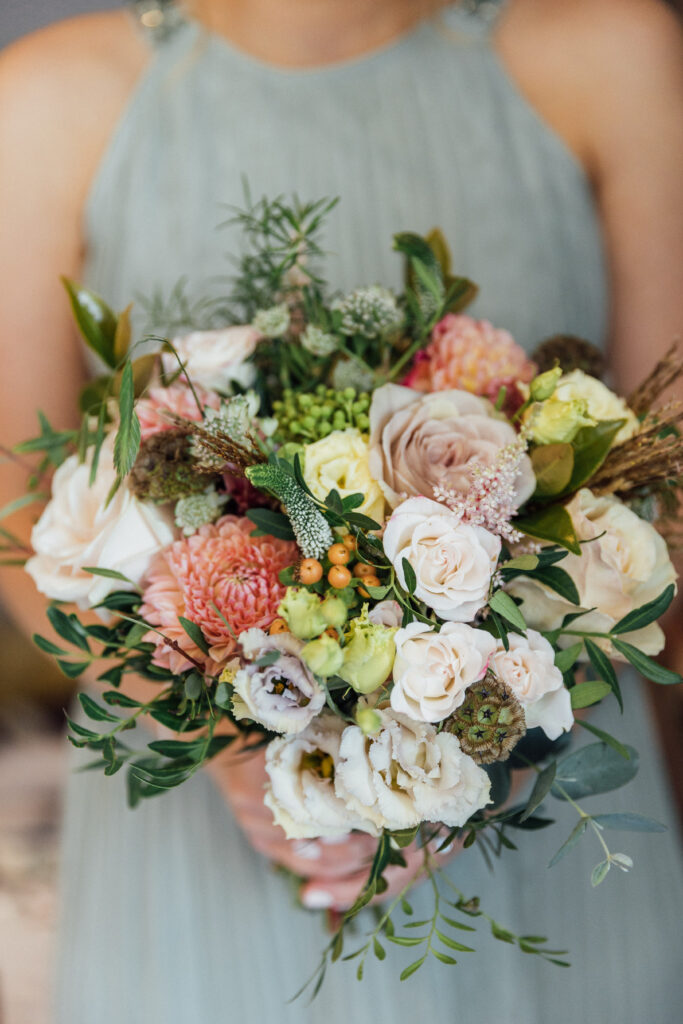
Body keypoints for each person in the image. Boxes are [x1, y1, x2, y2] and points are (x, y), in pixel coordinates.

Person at [1, 1, 682, 1021]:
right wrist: (249, 751)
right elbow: (22, 523)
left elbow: (661, 488)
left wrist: (475, 744)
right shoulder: (48, 98)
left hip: (552, 828)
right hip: (199, 851)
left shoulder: (610, 50)